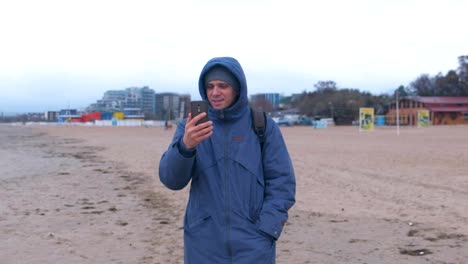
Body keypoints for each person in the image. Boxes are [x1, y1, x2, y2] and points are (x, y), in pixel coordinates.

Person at [158, 57, 296, 263]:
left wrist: (268, 229)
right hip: (203, 244)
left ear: (237, 88)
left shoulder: (262, 125)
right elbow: (171, 180)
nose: (215, 92)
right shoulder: (190, 127)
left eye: (223, 86)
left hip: (254, 244)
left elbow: (282, 182)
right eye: (210, 86)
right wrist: (185, 146)